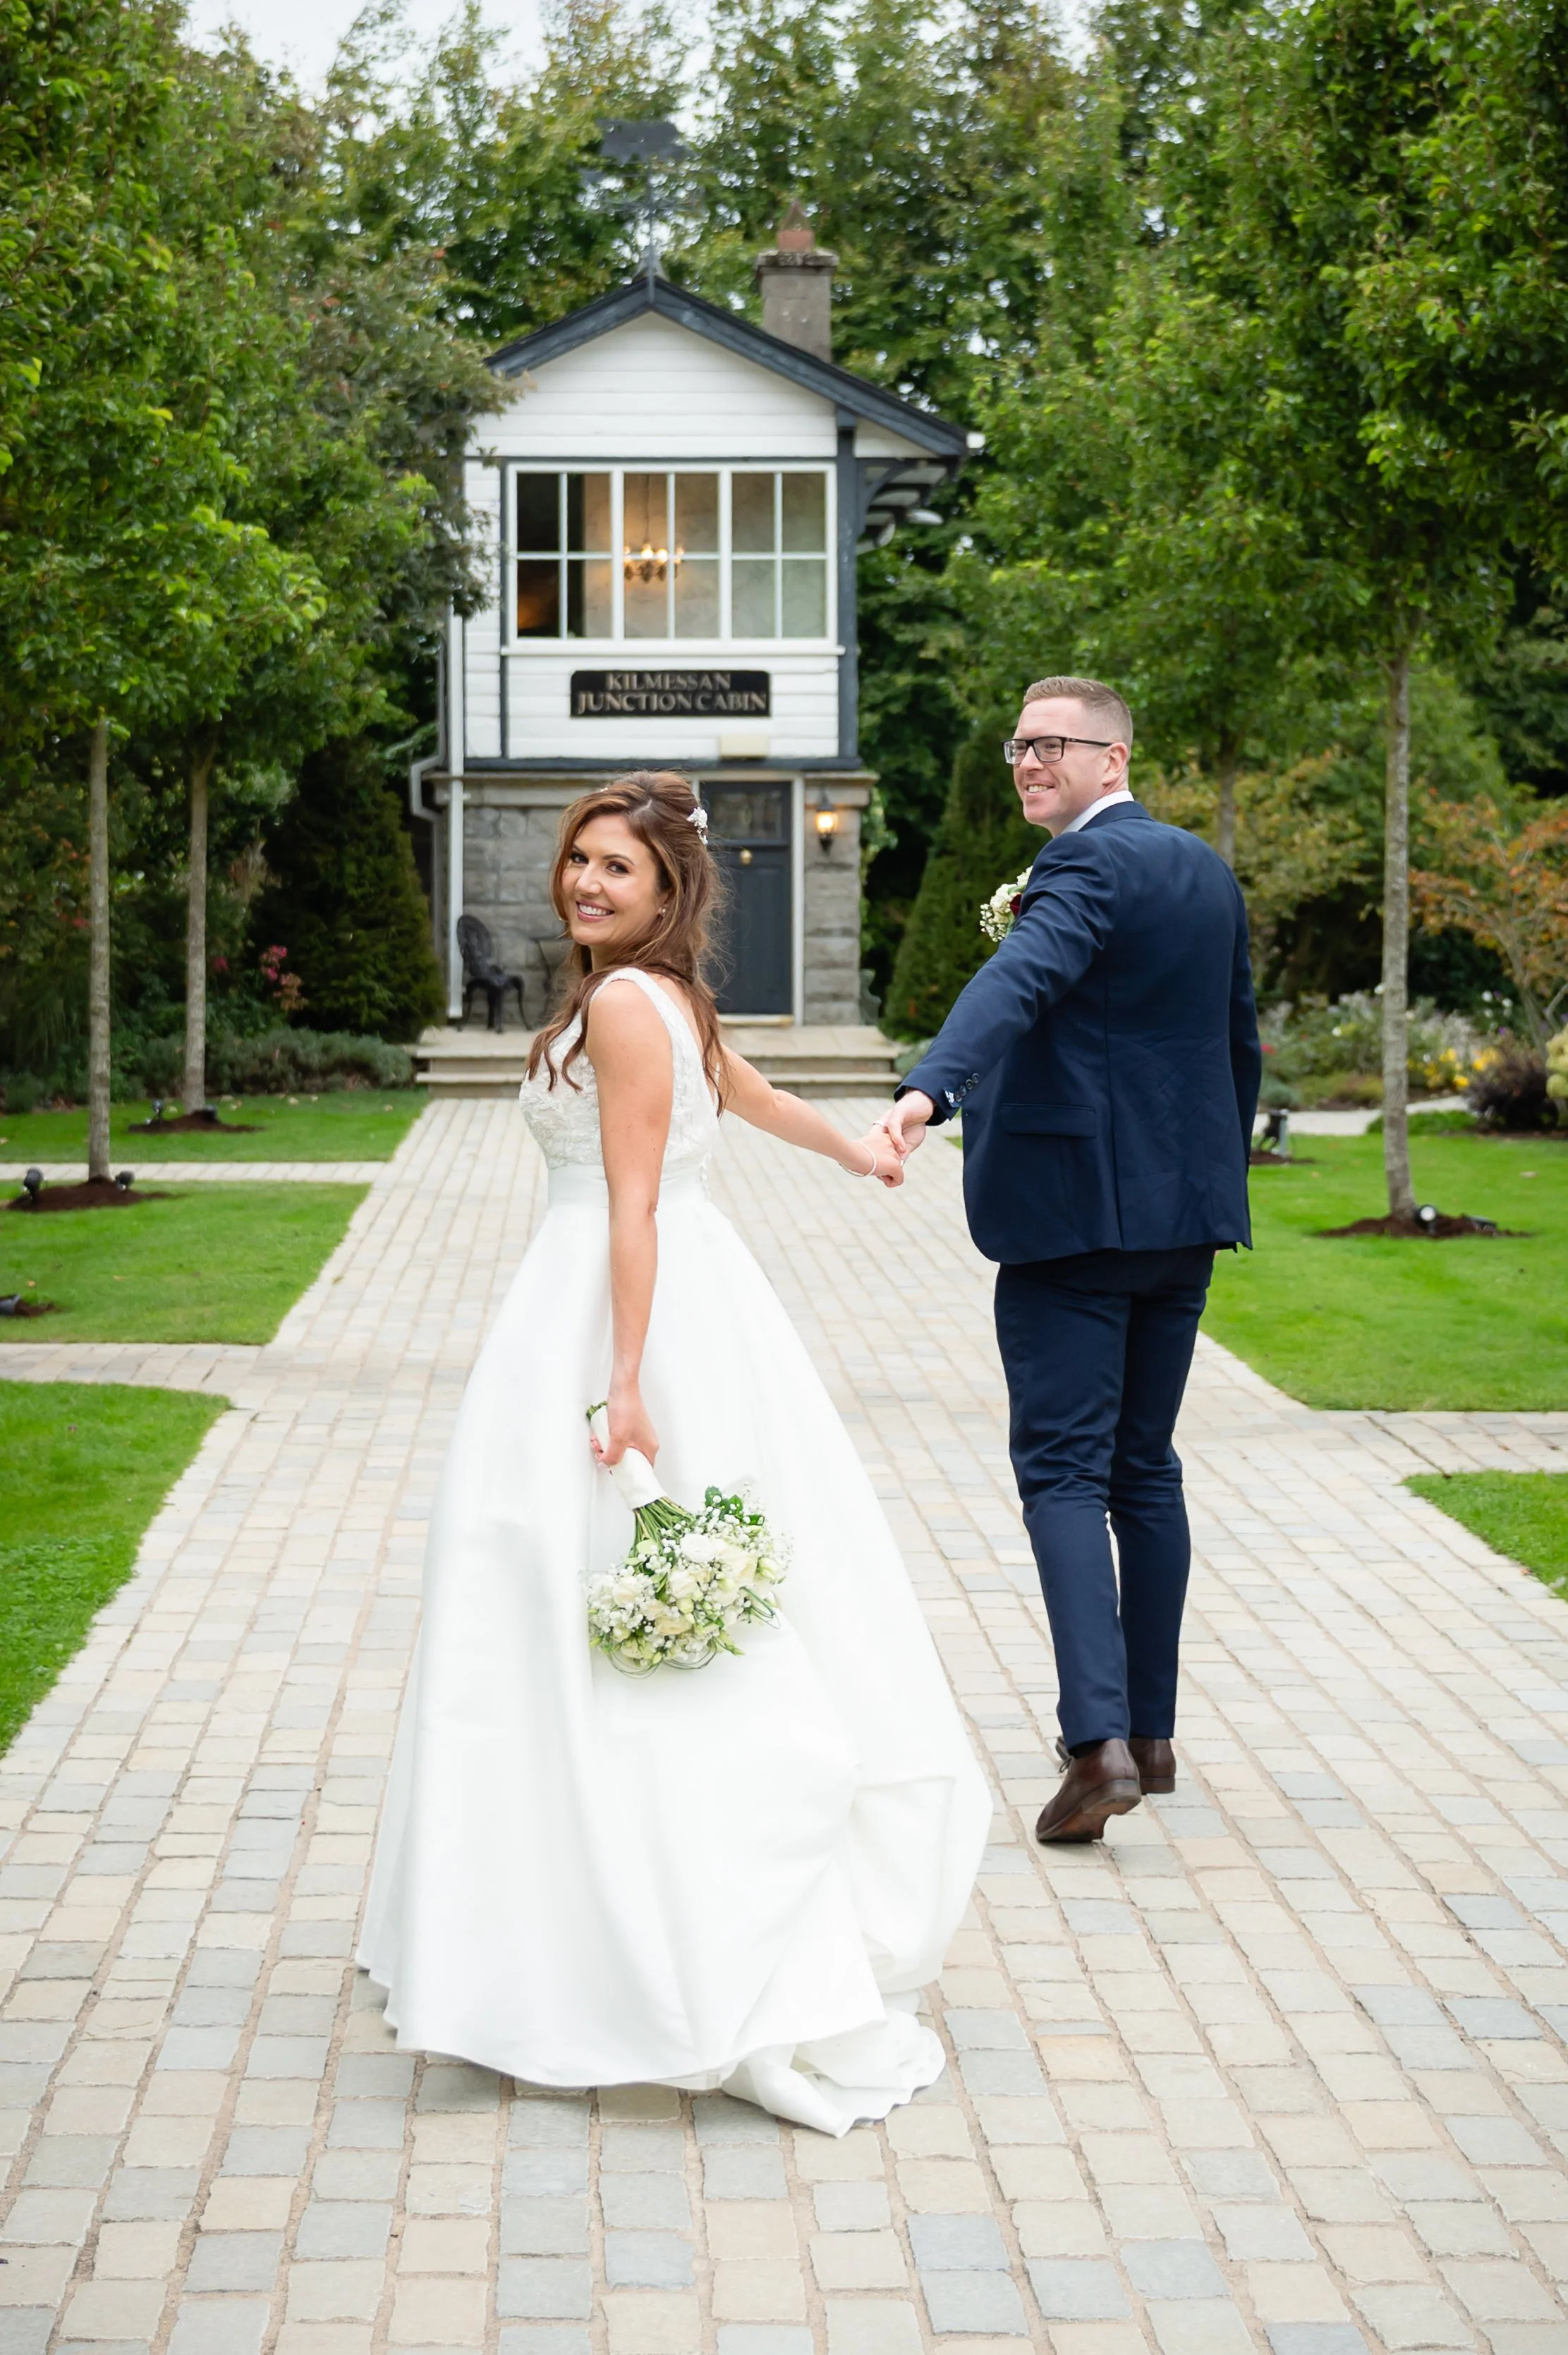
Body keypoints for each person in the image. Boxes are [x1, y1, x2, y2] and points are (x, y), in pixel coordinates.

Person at [360, 769, 989, 2134]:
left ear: (666, 891)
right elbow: (747, 1089)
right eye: (578, 859)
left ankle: (623, 1941)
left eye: (617, 870)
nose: (588, 882)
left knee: (579, 1602)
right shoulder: (663, 1001)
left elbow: (633, 1204)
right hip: (657, 1297)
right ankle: (547, 1926)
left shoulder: (628, 1006)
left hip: (612, 1309)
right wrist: (850, 1150)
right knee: (575, 1602)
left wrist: (623, 1380)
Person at [884, 678, 1260, 1844]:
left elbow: (1020, 977)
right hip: (1182, 1213)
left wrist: (928, 1086)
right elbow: (1236, 1039)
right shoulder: (1201, 867)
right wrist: (1209, 1165)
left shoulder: (1082, 870)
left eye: (1053, 744)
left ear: (1115, 755)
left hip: (1073, 1218)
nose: (1029, 761)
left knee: (1064, 1472)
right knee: (1143, 1466)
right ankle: (1149, 1732)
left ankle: (1094, 1744)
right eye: (1019, 744)